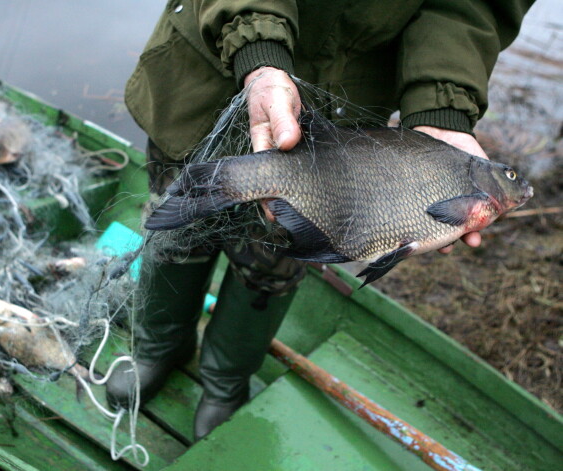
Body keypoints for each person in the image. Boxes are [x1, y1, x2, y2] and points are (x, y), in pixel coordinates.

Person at [106, 0, 533, 440]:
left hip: (342, 117)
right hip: (208, 71)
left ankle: (224, 381)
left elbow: (473, 7)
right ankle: (157, 348)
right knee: (175, 236)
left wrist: (441, 108)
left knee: (273, 266)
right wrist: (259, 54)